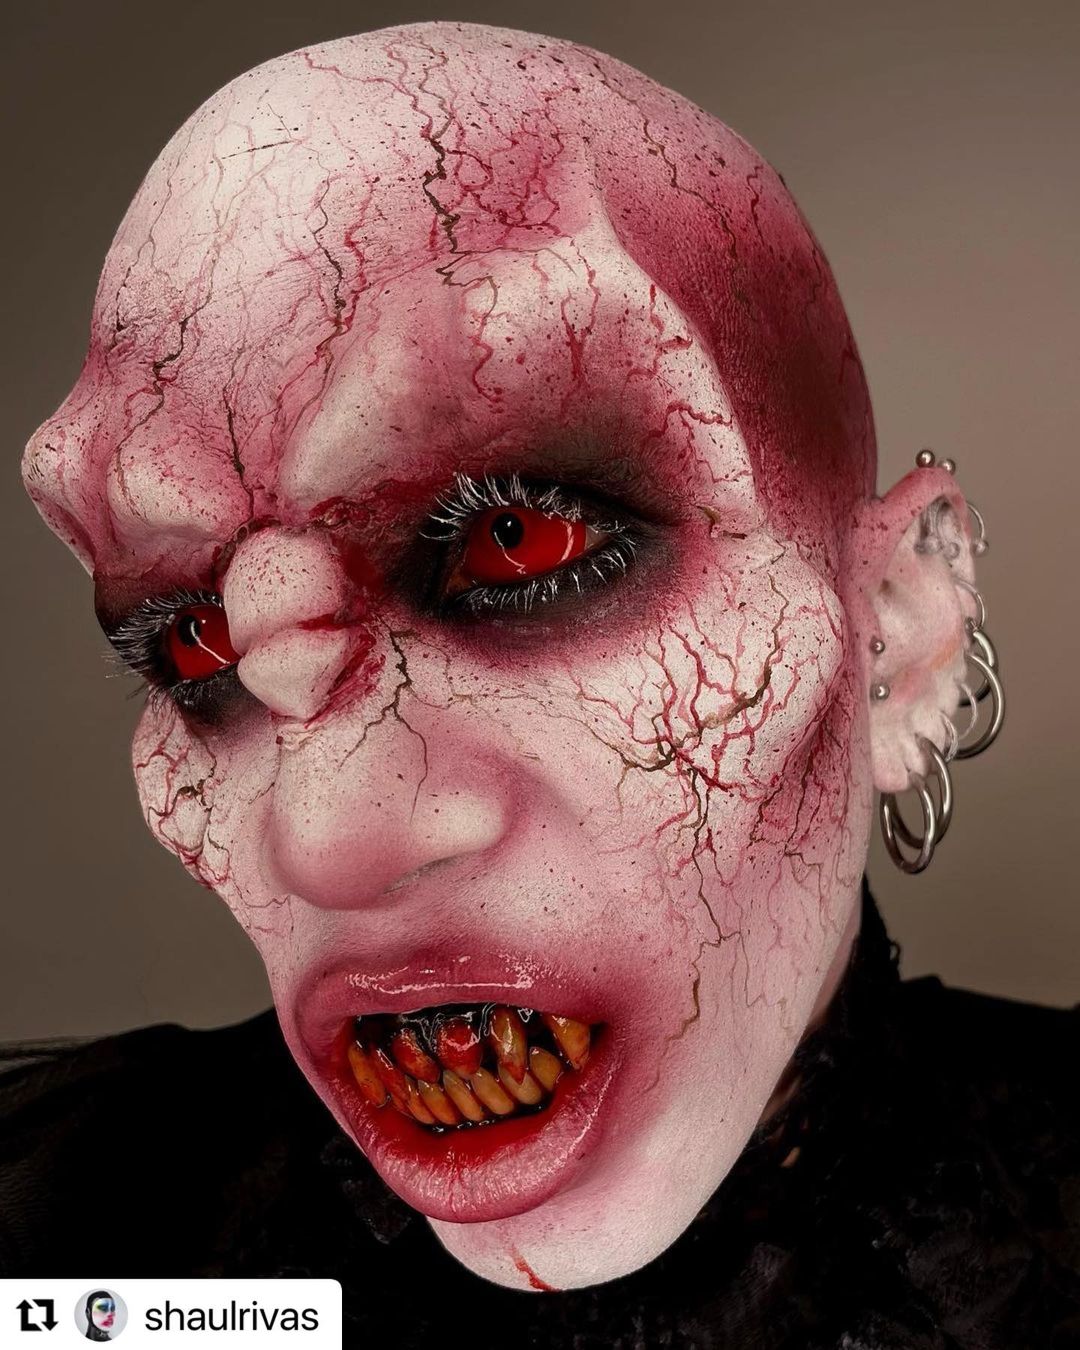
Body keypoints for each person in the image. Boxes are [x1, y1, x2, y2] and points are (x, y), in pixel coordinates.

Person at [3, 21, 1076, 1347]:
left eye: (523, 544)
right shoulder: (70, 1246)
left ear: (898, 639)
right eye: (195, 643)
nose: (325, 841)